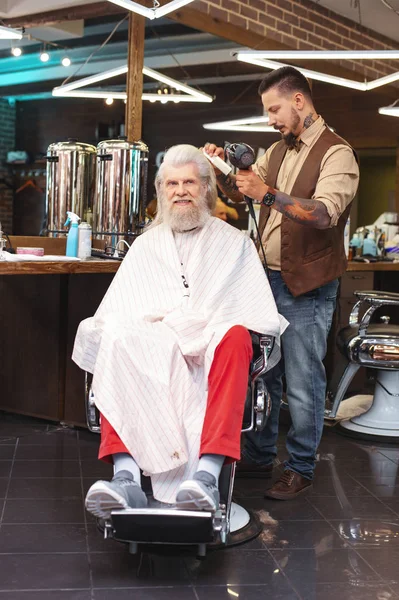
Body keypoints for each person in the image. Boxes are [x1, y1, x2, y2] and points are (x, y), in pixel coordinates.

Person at [73, 144, 287, 519]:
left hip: (213, 345)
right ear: (162, 191)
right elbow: (120, 308)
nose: (181, 191)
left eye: (189, 181)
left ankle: (207, 475)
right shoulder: (145, 246)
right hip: (157, 344)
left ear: (206, 188)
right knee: (114, 339)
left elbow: (257, 313)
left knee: (238, 335)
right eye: (172, 183)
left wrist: (200, 332)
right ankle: (125, 478)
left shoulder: (234, 243)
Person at [204, 66, 359, 500]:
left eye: (274, 109)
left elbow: (325, 213)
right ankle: (257, 455)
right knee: (263, 373)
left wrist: (267, 194)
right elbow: (243, 195)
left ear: (298, 100)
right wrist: (223, 171)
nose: (270, 118)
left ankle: (300, 467)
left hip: (308, 284)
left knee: (303, 381)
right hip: (262, 279)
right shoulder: (276, 150)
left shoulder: (337, 153)